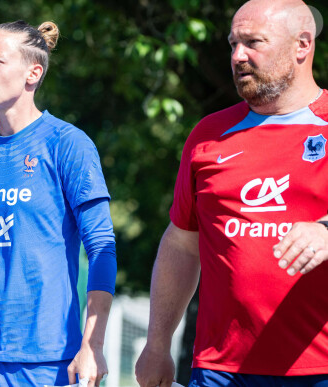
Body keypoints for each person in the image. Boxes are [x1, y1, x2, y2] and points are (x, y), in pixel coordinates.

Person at [134, 0, 328, 386]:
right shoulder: (208, 134)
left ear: (302, 45)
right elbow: (182, 244)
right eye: (233, 43)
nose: (238, 56)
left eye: (254, 42)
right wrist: (157, 344)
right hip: (221, 369)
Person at [0, 20, 117, 387]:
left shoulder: (68, 144)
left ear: (33, 73)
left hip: (48, 356)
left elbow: (101, 247)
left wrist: (92, 345)